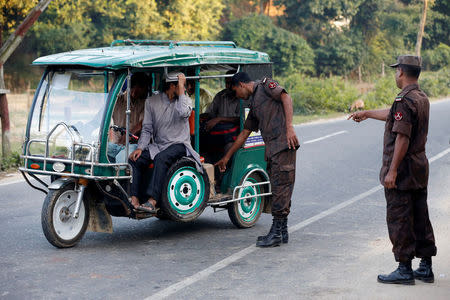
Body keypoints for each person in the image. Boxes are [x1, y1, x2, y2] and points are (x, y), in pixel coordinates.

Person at [348, 55, 437, 285]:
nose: (395, 74)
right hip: (419, 167)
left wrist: (392, 171)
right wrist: (367, 113)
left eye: (396, 70)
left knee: (399, 217)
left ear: (401, 72)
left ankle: (404, 268)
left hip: (404, 170)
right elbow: (394, 116)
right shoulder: (420, 97)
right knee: (420, 216)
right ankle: (425, 266)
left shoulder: (403, 100)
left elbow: (403, 136)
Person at [215, 72, 299, 248]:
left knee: (281, 187)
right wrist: (226, 157)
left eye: (236, 91)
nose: (237, 96)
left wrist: (289, 127)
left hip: (283, 145)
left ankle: (276, 232)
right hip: (273, 150)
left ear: (241, 85)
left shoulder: (266, 86)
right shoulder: (254, 104)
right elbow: (244, 134)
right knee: (279, 187)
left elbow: (286, 97)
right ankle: (282, 231)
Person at [128, 72, 201, 212]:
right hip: (159, 145)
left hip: (180, 144)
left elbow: (182, 113)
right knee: (134, 159)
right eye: (180, 86)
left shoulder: (185, 101)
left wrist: (181, 91)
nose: (183, 88)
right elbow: (147, 128)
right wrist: (140, 147)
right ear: (171, 85)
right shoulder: (152, 102)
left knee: (161, 159)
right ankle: (134, 198)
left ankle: (153, 200)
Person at [108, 72, 149, 163]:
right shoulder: (116, 100)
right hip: (115, 143)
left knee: (121, 158)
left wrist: (126, 137)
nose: (134, 92)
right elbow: (103, 118)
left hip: (132, 145)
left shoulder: (145, 104)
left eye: (140, 89)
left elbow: (141, 124)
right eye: (133, 88)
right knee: (97, 152)